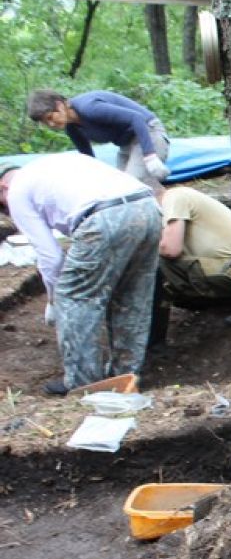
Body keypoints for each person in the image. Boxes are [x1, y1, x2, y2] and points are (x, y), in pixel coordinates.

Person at [0, 155, 160, 395]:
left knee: (74, 297)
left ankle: (83, 383)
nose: (7, 210)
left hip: (104, 217)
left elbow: (51, 257)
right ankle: (126, 375)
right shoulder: (53, 165)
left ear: (2, 187)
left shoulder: (16, 193)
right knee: (132, 298)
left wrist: (55, 300)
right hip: (149, 208)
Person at [150, 187, 231, 343]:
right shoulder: (186, 195)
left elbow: (171, 249)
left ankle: (154, 342)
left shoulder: (175, 197)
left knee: (155, 265)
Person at [27, 89, 171, 189]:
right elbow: (89, 160)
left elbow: (136, 118)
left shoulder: (89, 108)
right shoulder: (72, 128)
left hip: (148, 133)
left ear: (59, 105)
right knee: (117, 190)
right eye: (46, 123)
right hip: (127, 145)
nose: (51, 124)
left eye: (50, 117)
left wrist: (150, 156)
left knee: (130, 188)